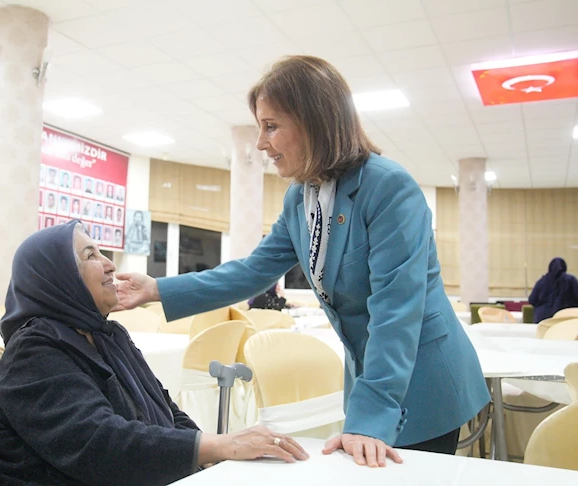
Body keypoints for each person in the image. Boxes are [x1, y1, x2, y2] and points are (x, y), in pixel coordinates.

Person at [116, 56, 489, 467]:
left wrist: (368, 417)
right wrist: (155, 289)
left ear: (315, 122)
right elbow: (251, 271)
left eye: (271, 126)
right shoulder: (301, 197)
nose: (260, 143)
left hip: (422, 377)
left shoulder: (387, 186)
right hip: (372, 378)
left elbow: (396, 309)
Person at [0, 222, 307, 485]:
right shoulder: (34, 351)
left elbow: (164, 408)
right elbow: (98, 444)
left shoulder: (108, 335)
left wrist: (210, 456)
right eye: (90, 255)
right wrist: (219, 445)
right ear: (59, 279)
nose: (110, 264)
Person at [529, 257, 578, 323]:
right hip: (564, 319)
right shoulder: (570, 280)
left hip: (542, 321)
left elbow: (532, 299)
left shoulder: (541, 281)